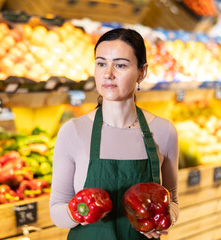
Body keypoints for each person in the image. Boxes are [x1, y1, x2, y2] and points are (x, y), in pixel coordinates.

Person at [49, 28, 179, 240]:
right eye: (101, 63)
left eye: (120, 65)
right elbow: (56, 211)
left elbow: (173, 203)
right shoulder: (73, 131)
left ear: (142, 72)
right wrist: (78, 212)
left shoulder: (164, 132)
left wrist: (164, 221)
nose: (108, 73)